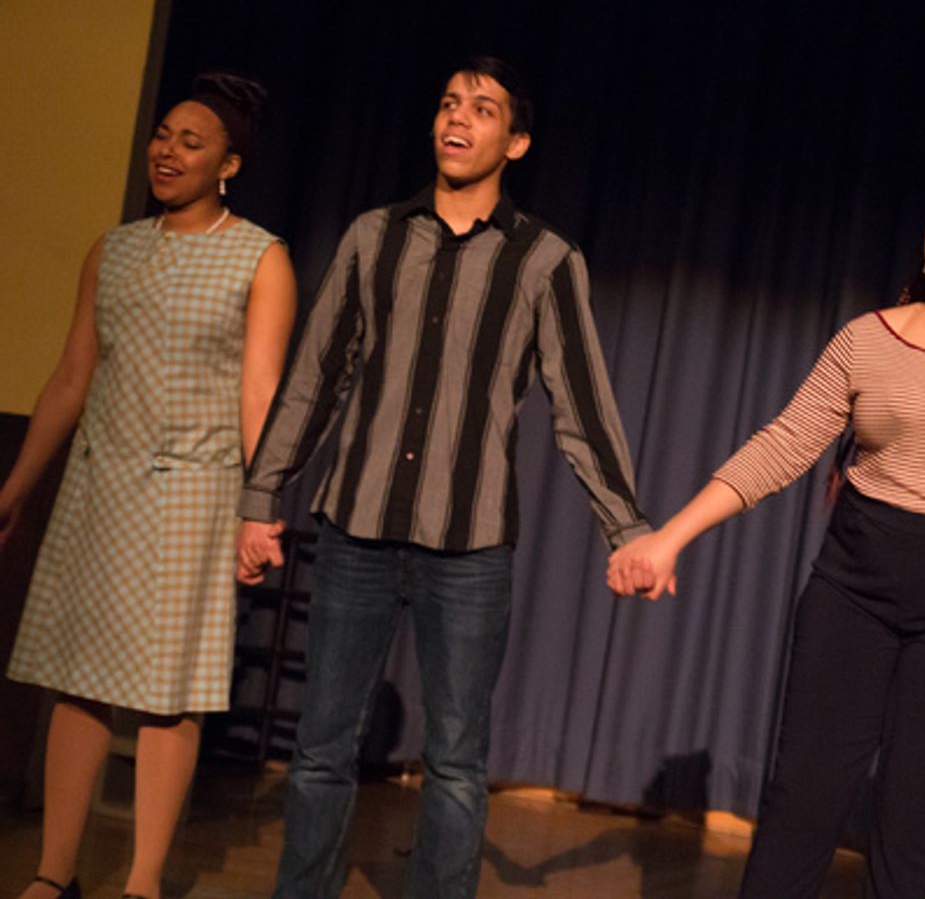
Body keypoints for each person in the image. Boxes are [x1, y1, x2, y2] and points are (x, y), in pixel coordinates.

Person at [608, 174, 925, 897]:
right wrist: (669, 537)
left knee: (915, 825)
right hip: (857, 588)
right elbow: (783, 445)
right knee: (802, 798)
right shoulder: (868, 338)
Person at [234, 56, 649, 898]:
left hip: (469, 546)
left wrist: (628, 527)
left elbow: (582, 404)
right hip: (354, 526)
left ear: (517, 140)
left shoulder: (544, 260)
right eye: (449, 103)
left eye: (484, 108)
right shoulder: (373, 235)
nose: (458, 118)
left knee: (457, 761)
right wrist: (259, 497)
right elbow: (316, 377)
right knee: (320, 748)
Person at [0, 73, 296, 899]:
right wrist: (16, 486)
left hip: (194, 492)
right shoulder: (116, 245)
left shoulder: (260, 255)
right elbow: (69, 378)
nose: (166, 151)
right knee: (80, 675)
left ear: (228, 163)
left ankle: (142, 880)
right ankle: (55, 872)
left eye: (189, 142)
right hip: (101, 485)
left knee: (170, 693)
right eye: (163, 135)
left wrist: (258, 510)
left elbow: (261, 393)